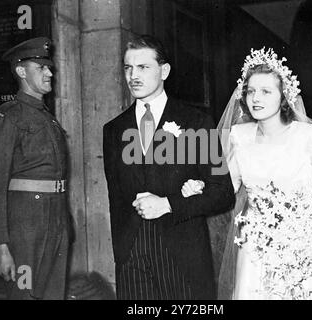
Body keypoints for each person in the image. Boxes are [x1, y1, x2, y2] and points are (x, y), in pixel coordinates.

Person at [185, 48, 312, 299]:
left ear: (284, 97)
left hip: (298, 243)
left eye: (266, 91)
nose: (255, 98)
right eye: (251, 91)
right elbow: (228, 185)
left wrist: (308, 208)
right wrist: (201, 186)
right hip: (255, 246)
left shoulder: (308, 136)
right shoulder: (240, 137)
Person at [102, 35, 235, 300]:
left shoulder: (196, 122)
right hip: (132, 258)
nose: (133, 76)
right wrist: (123, 253)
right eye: (128, 68)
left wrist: (168, 204)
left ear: (164, 71)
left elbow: (223, 193)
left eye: (143, 67)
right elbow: (115, 197)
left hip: (182, 255)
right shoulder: (113, 129)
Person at [0, 37, 70, 300]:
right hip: (26, 226)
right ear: (21, 72)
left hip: (56, 219)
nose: (49, 72)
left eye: (49, 67)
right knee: (24, 293)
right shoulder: (9, 117)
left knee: (53, 294)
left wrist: (65, 225)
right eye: (41, 67)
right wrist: (1, 247)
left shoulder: (47, 119)